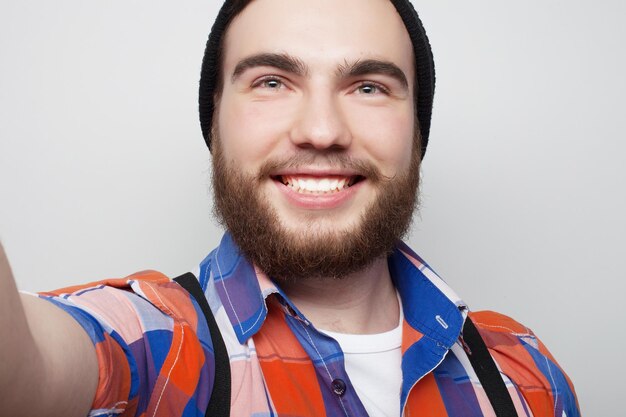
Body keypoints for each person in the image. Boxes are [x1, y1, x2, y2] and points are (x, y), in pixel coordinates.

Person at [0, 0, 580, 416]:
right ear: (216, 126)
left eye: (369, 87)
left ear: (417, 137)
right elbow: (25, 375)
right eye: (273, 82)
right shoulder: (159, 348)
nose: (322, 131)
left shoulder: (522, 375)